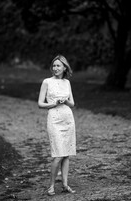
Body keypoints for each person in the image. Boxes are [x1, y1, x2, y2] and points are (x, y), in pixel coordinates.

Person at [38, 54, 76, 196]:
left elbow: (72, 103)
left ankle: (65, 184)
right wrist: (53, 103)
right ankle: (51, 185)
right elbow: (40, 103)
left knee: (66, 154)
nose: (55, 68)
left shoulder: (67, 83)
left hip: (67, 118)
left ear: (64, 67)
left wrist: (64, 101)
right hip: (54, 118)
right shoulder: (47, 82)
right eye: (54, 66)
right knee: (58, 155)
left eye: (58, 65)